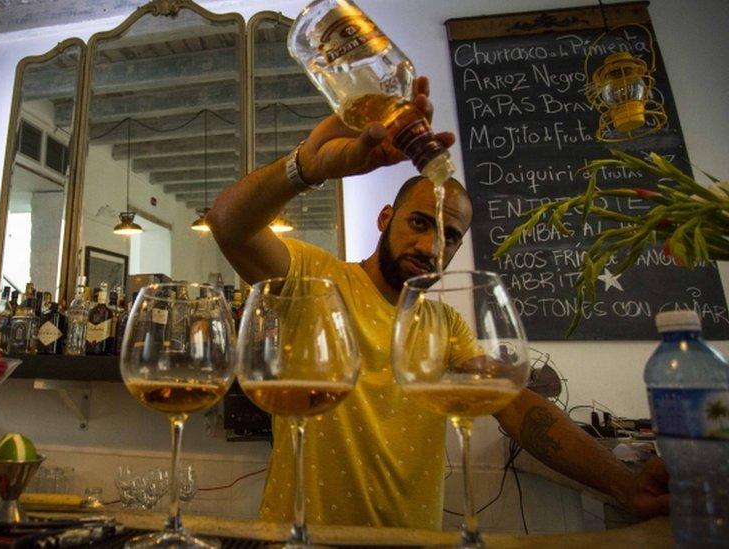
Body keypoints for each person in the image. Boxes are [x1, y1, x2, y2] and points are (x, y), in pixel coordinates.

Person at [205, 76, 670, 529]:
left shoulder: (445, 325)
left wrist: (623, 482)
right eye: (421, 224)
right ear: (386, 218)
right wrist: (307, 164)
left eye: (449, 236)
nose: (432, 248)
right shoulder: (318, 279)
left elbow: (518, 407)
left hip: (413, 540)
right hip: (303, 539)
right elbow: (228, 224)